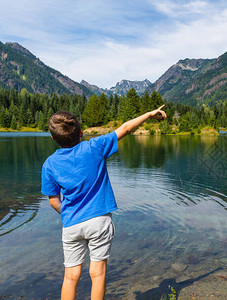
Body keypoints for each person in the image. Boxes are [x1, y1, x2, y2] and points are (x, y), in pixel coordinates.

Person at [41, 105, 167, 300]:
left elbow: (53, 200)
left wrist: (67, 212)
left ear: (52, 138)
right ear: (81, 133)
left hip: (71, 224)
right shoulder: (94, 147)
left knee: (70, 276)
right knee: (97, 273)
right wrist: (149, 114)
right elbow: (125, 128)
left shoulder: (49, 164)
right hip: (99, 221)